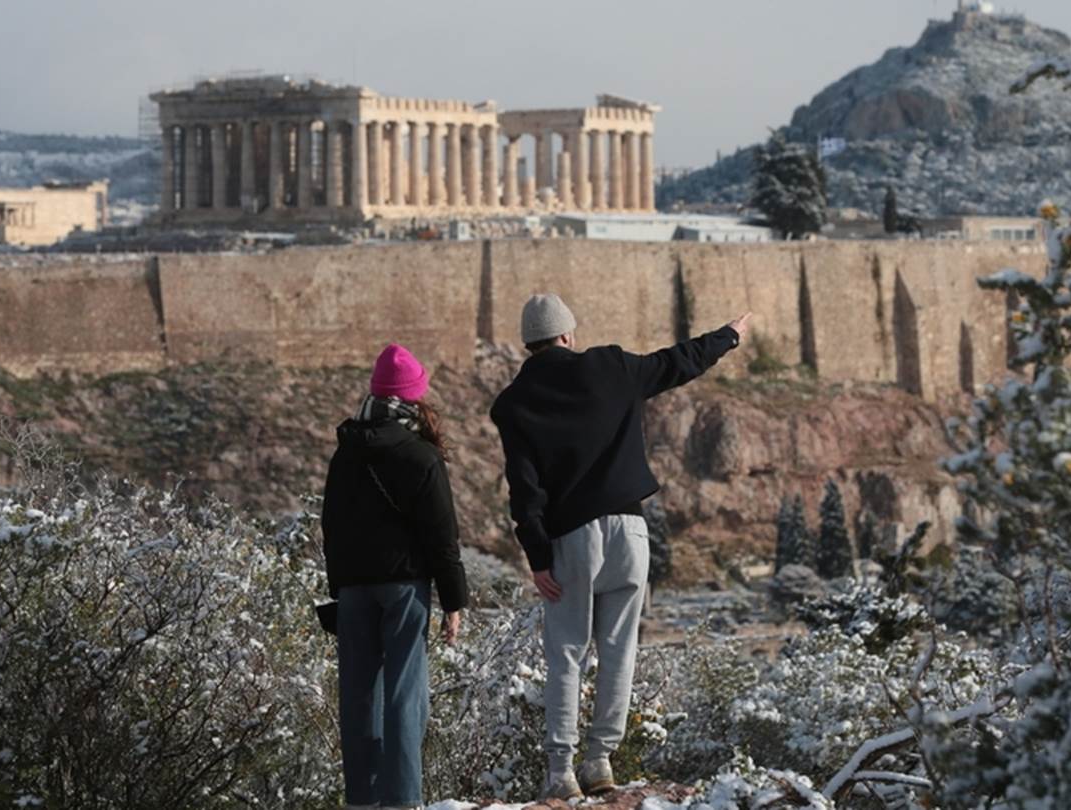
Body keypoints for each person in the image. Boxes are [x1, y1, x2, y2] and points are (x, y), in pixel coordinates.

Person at [490, 294, 752, 801]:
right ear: (567, 335)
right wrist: (729, 335)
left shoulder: (514, 403)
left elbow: (522, 486)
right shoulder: (610, 366)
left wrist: (537, 555)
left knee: (566, 652)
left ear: (529, 344)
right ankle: (600, 759)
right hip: (630, 531)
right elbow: (676, 363)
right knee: (619, 647)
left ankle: (560, 770)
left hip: (570, 537)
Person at [322, 343, 469, 810]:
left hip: (354, 588)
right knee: (406, 695)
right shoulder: (419, 456)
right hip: (404, 587)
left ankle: (362, 801)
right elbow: (442, 536)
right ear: (414, 398)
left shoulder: (345, 453)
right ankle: (403, 801)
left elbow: (331, 525)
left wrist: (339, 589)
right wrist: (454, 600)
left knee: (359, 697)